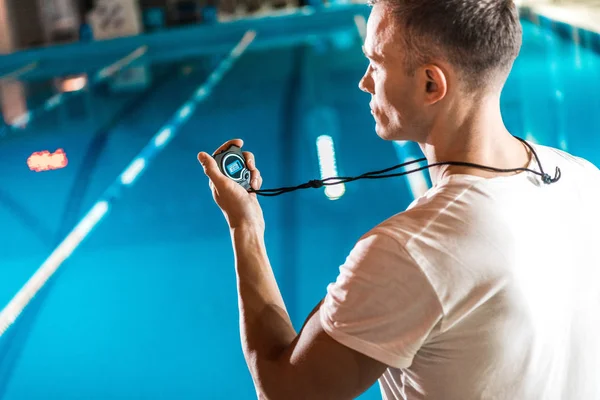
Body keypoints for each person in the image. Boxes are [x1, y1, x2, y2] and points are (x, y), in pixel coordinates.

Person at [197, 0, 600, 398]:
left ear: (431, 84)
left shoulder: (412, 251)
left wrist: (244, 226)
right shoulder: (583, 177)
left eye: (375, 61)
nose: (364, 81)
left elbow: (285, 391)